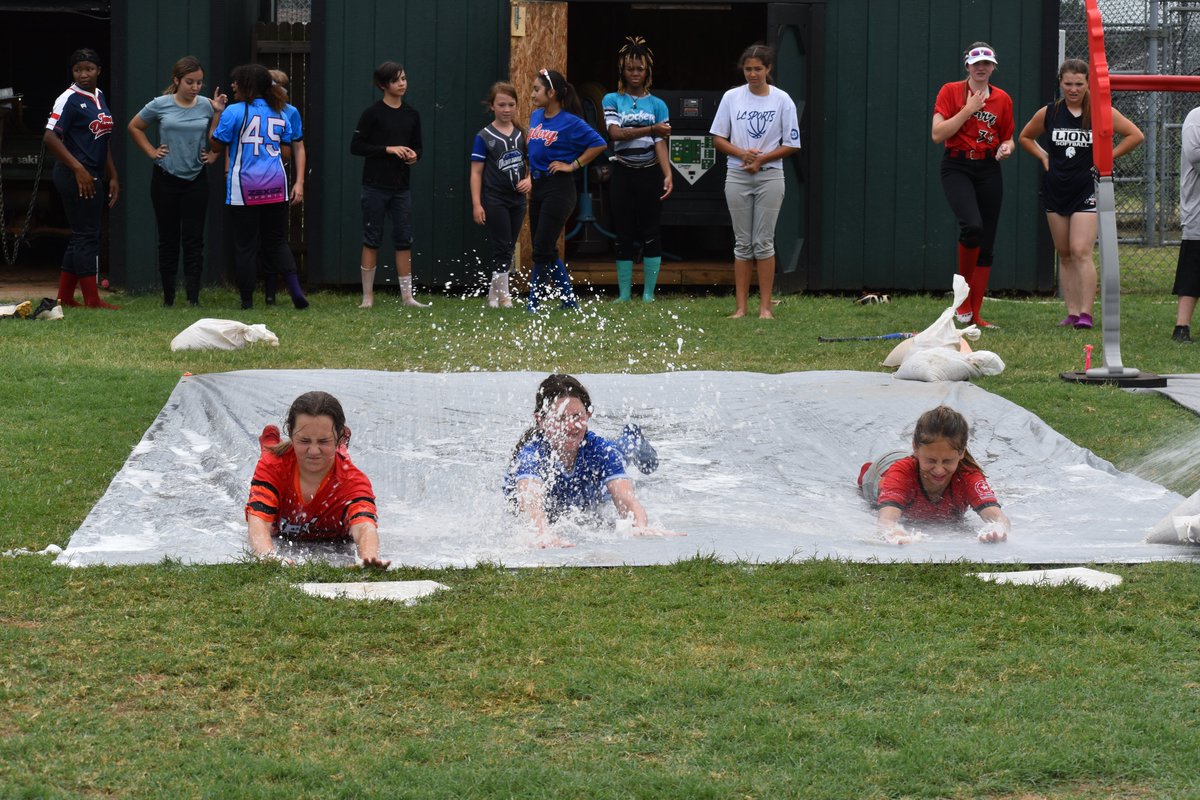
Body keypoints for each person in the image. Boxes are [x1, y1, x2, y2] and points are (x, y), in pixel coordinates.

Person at [1018, 59, 1143, 330]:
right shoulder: (1049, 112)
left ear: (1088, 84)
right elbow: (1025, 137)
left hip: (1086, 188)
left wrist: (1106, 158)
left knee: (1081, 250)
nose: (1073, 89)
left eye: (1079, 84)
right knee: (1064, 253)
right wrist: (1043, 156)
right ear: (1060, 83)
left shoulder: (1100, 111)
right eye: (1068, 84)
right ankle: (1072, 312)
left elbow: (1135, 135)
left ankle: (1086, 314)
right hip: (1056, 188)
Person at [504, 374, 673, 548]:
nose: (570, 426)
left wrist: (640, 526)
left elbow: (627, 500)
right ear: (540, 420)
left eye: (577, 416)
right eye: (561, 418)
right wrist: (541, 534)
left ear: (588, 414)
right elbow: (530, 501)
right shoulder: (532, 455)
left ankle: (631, 438)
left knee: (627, 453)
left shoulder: (601, 451)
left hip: (613, 456)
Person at [245, 391, 390, 568]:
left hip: (337, 459)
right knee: (270, 453)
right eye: (304, 440)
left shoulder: (351, 481)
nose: (313, 451)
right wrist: (268, 556)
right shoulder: (274, 466)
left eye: (323, 441)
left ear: (338, 435)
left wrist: (368, 558)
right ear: (291, 433)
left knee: (338, 457)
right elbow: (258, 520)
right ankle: (270, 440)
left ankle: (337, 446)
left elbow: (365, 526)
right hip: (282, 457)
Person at [710, 43, 801, 319]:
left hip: (770, 175)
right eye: (748, 69)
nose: (752, 74)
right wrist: (743, 155)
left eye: (757, 69)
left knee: (763, 242)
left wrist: (761, 159)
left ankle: (765, 307)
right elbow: (718, 137)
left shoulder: (782, 100)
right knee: (742, 242)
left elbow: (793, 143)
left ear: (768, 69)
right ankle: (740, 308)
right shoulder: (731, 97)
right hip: (738, 174)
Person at [209, 63, 309, 310]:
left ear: (248, 86)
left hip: (244, 189)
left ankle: (246, 301)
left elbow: (215, 146)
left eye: (236, 82)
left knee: (245, 245)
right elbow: (287, 152)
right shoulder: (282, 113)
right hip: (276, 185)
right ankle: (295, 290)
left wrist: (217, 115)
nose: (232, 85)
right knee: (276, 241)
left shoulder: (234, 111)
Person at [932, 42, 1016, 329]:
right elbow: (937, 133)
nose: (981, 68)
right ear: (967, 65)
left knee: (988, 240)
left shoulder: (1003, 99)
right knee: (972, 227)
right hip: (957, 164)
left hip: (988, 166)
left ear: (993, 67)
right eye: (976, 62)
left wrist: (1007, 147)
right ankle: (963, 303)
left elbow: (1007, 137)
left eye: (987, 63)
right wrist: (968, 109)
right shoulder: (951, 91)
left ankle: (976, 314)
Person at [127, 56, 220, 307]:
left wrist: (214, 153)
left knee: (194, 239)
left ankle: (193, 298)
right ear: (177, 80)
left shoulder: (207, 106)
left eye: (199, 82)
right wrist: (150, 151)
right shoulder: (160, 104)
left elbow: (218, 135)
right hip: (166, 179)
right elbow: (134, 126)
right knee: (168, 239)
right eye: (190, 82)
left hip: (196, 179)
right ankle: (168, 298)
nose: (195, 87)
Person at [858, 405, 1010, 545]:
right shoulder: (902, 473)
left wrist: (997, 530)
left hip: (915, 463)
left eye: (947, 461)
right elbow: (886, 520)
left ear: (961, 452)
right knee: (880, 485)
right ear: (915, 448)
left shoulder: (968, 476)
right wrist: (892, 531)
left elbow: (998, 516)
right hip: (882, 470)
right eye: (931, 461)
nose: (939, 470)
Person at [43, 47, 120, 310]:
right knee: (87, 235)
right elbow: (50, 137)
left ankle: (65, 296)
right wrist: (78, 169)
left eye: (89, 69)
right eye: (78, 69)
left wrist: (113, 175)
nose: (83, 74)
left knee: (82, 234)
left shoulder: (98, 95)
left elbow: (103, 139)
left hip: (94, 173)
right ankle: (92, 299)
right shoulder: (69, 98)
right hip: (75, 174)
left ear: (99, 70)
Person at [525, 68, 607, 311]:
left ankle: (534, 301)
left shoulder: (571, 122)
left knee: (541, 246)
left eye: (536, 89)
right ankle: (569, 300)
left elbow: (599, 144)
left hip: (559, 188)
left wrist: (573, 165)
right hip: (538, 186)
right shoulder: (536, 117)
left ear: (551, 93)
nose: (532, 94)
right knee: (544, 246)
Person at [350, 61, 427, 309]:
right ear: (383, 85)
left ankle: (407, 297)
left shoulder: (412, 114)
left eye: (404, 78)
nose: (402, 84)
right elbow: (357, 146)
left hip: (401, 187)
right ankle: (367, 297)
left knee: (404, 239)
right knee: (372, 237)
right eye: (396, 80)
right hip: (374, 186)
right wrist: (388, 149)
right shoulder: (372, 113)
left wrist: (415, 156)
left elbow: (419, 147)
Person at [602, 36, 673, 303]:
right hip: (622, 171)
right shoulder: (612, 99)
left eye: (640, 69)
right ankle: (623, 294)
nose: (635, 73)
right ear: (623, 69)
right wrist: (651, 128)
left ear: (648, 71)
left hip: (650, 172)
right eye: (630, 68)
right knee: (623, 231)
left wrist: (668, 174)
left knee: (651, 230)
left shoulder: (658, 105)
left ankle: (648, 294)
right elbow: (615, 134)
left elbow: (660, 143)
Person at [470, 81, 531, 308]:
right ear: (492, 106)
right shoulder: (484, 136)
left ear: (516, 106)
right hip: (495, 198)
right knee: (502, 245)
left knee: (508, 244)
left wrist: (529, 180)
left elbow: (532, 162)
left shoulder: (521, 134)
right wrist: (477, 204)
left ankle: (493, 295)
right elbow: (476, 172)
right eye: (501, 105)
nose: (507, 109)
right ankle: (504, 296)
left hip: (517, 199)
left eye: (511, 105)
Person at [266, 69, 307, 305]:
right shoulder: (252, 110)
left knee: (276, 236)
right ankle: (265, 291)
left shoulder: (290, 113)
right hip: (252, 180)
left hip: (277, 179)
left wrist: (299, 182)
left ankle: (278, 290)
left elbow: (296, 148)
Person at [1172, 104, 1200, 343]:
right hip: (1198, 212)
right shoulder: (1195, 117)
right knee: (1192, 269)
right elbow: (1195, 155)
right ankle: (1182, 327)